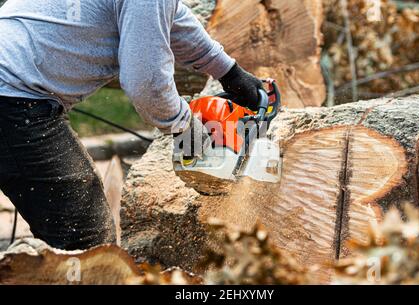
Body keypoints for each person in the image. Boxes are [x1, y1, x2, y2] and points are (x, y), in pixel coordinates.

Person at [0, 0, 263, 250]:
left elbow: (170, 19)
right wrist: (185, 128)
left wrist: (228, 71)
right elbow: (146, 84)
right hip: (13, 97)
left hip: (13, 88)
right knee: (83, 237)